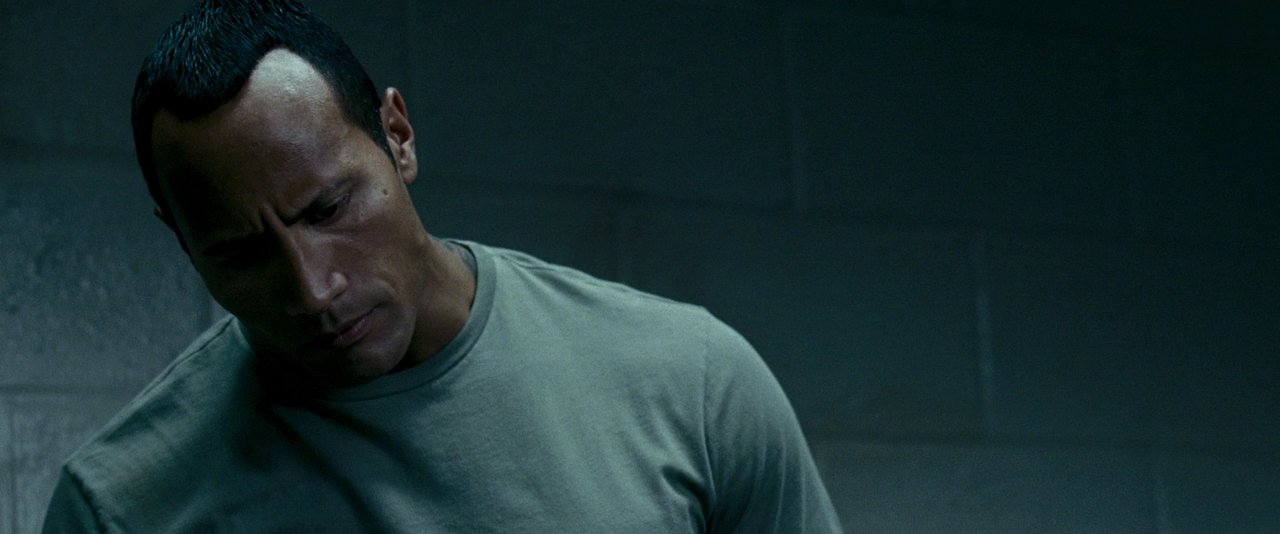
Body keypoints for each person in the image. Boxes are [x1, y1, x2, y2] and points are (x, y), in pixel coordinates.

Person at [42, 1, 842, 532]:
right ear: (182, 240)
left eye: (328, 209)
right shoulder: (120, 507)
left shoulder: (691, 384)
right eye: (241, 253)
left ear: (398, 136)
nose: (314, 290)